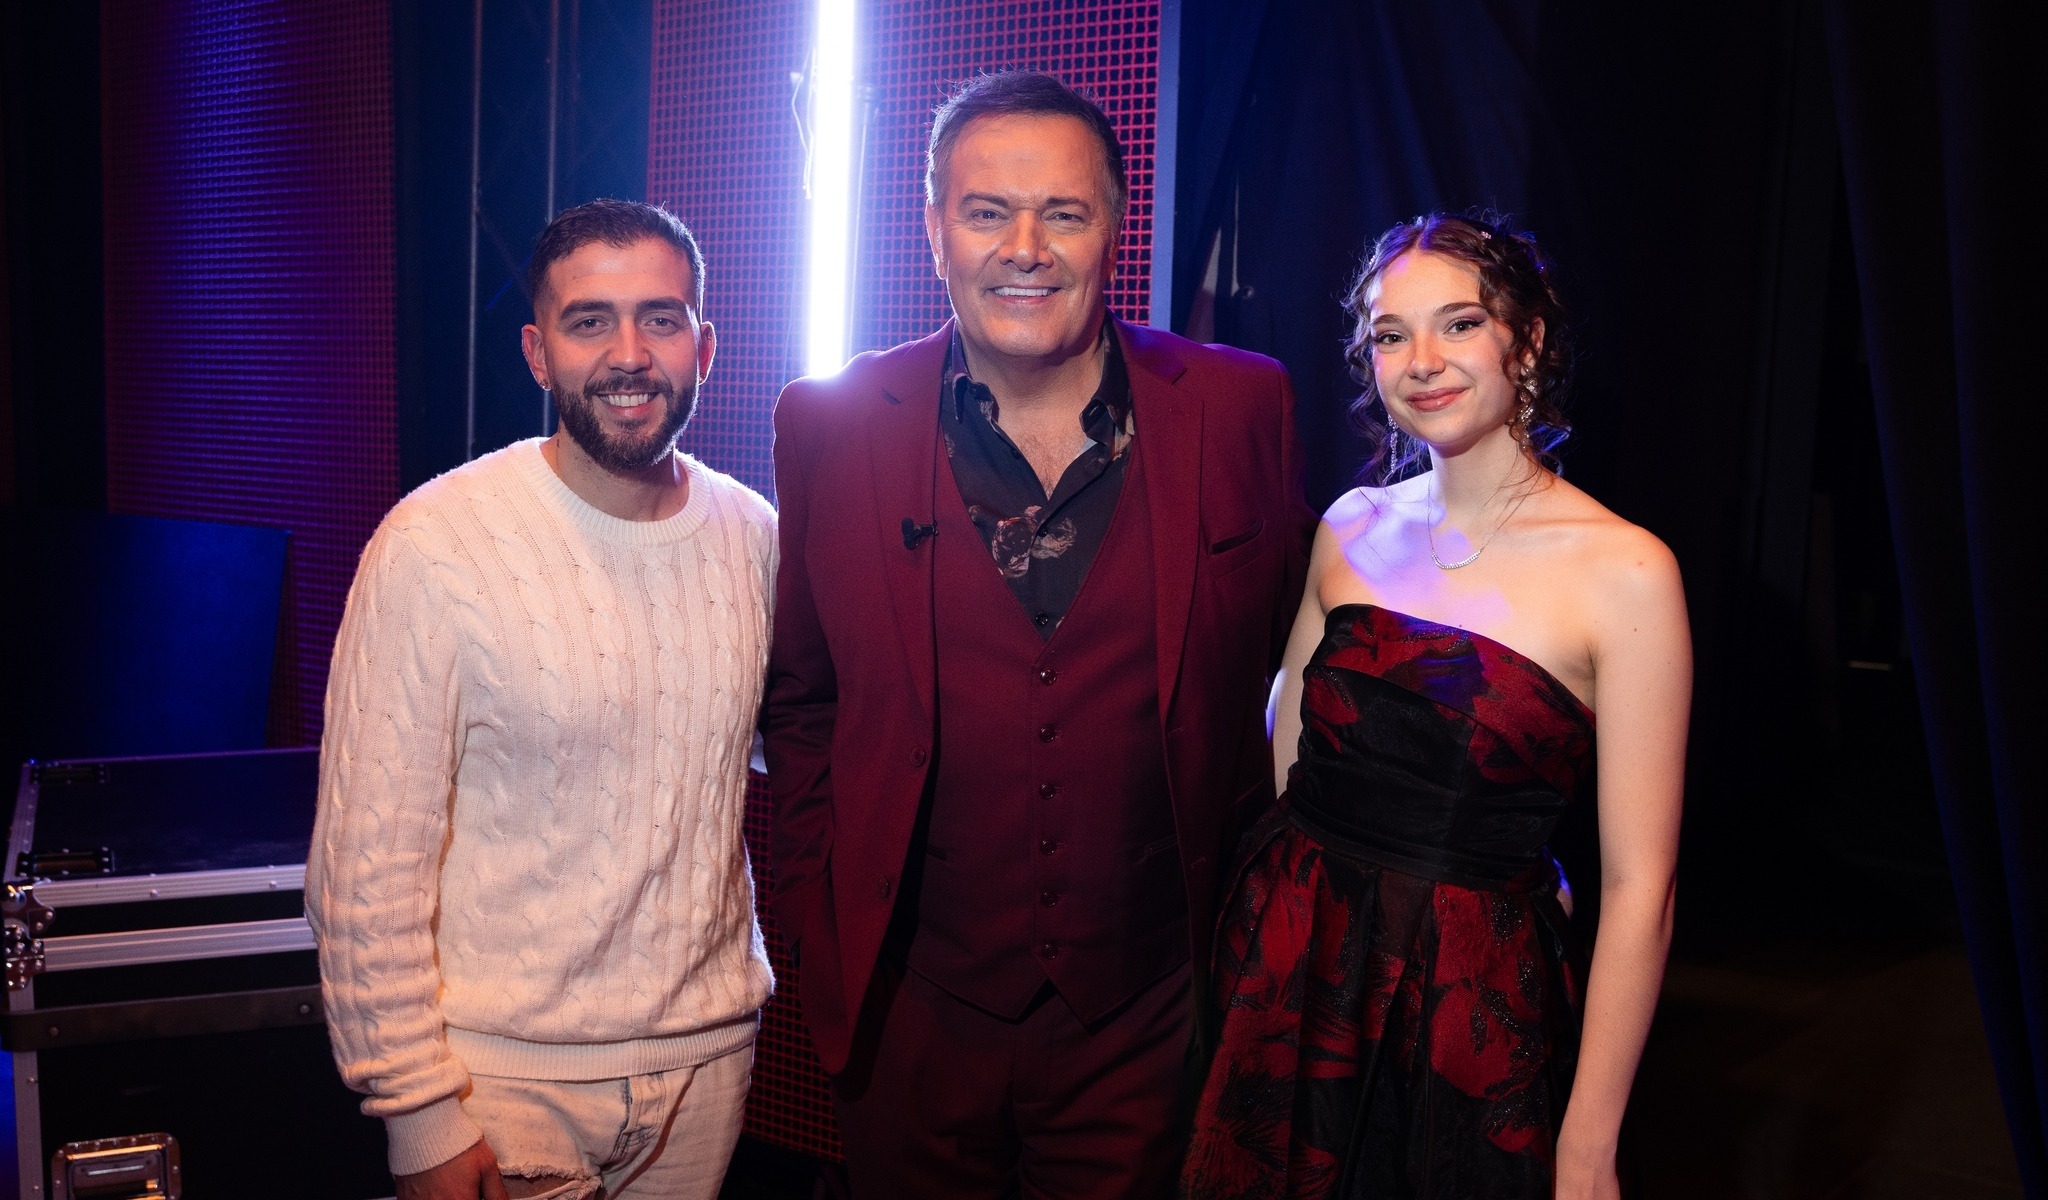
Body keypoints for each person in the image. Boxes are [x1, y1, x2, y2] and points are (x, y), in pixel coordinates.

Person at [763, 70, 1314, 1197]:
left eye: (1063, 212)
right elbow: (805, 701)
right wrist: (824, 916)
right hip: (909, 1011)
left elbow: (1286, 663)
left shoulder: (1239, 408)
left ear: (1112, 228)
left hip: (1148, 1016)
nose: (1025, 248)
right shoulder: (827, 424)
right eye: (986, 213)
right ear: (934, 231)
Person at [1181, 213, 1690, 1199]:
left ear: (1525, 342)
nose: (1420, 361)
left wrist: (1589, 1148)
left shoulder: (1625, 571)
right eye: (1390, 333)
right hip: (1291, 976)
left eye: (1458, 323)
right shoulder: (1351, 524)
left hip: (1466, 1008)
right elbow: (1289, 745)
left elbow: (1642, 889)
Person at [307, 199, 774, 1200]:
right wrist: (417, 1114)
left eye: (659, 319)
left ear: (703, 346)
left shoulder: (755, 537)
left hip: (706, 1070)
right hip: (498, 1084)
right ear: (536, 353)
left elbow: (805, 748)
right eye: (589, 321)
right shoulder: (434, 545)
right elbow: (364, 869)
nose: (629, 355)